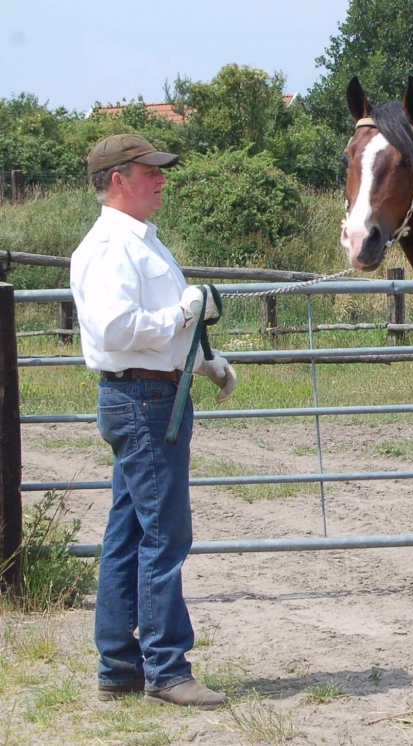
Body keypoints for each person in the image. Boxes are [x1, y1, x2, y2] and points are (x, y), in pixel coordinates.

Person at [70, 134, 237, 710]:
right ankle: (166, 667)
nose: (162, 179)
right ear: (119, 179)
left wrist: (205, 360)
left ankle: (118, 664)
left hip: (147, 394)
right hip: (145, 400)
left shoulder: (138, 242)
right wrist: (183, 312)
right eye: (150, 171)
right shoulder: (115, 246)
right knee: (166, 535)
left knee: (130, 532)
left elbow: (157, 326)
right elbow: (118, 329)